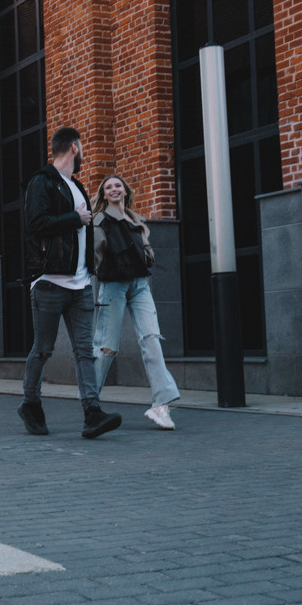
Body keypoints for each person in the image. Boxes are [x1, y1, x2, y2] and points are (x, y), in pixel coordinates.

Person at [17, 127, 122, 439]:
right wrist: (75, 219)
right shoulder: (42, 182)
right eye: (82, 146)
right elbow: (35, 223)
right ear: (74, 147)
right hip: (50, 282)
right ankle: (30, 403)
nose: (83, 151)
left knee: (84, 352)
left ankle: (92, 412)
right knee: (43, 350)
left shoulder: (77, 187)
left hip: (80, 284)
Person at [91, 174, 180, 429]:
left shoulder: (136, 219)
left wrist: (147, 255)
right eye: (108, 187)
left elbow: (146, 250)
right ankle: (90, 401)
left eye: (117, 185)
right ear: (104, 194)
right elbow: (93, 256)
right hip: (113, 287)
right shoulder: (100, 221)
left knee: (151, 338)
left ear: (125, 190)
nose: (114, 189)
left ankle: (161, 406)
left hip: (140, 285)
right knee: (107, 347)